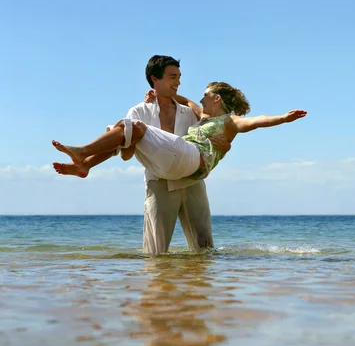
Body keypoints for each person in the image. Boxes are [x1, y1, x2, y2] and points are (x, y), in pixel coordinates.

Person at [53, 56, 230, 255]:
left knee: (205, 252)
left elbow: (213, 139)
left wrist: (225, 145)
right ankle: (84, 159)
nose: (178, 82)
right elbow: (126, 155)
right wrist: (133, 141)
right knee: (155, 254)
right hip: (159, 183)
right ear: (155, 79)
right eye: (172, 77)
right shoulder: (139, 111)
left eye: (179, 77)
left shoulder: (188, 113)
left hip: (192, 184)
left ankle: (195, 285)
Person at [52, 79, 307, 192]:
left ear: (216, 98)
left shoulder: (229, 121)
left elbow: (256, 122)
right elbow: (181, 98)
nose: (200, 98)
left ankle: (83, 152)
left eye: (205, 95)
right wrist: (155, 95)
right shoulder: (201, 116)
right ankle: (84, 165)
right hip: (185, 160)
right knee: (123, 133)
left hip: (194, 160)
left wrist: (283, 118)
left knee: (134, 127)